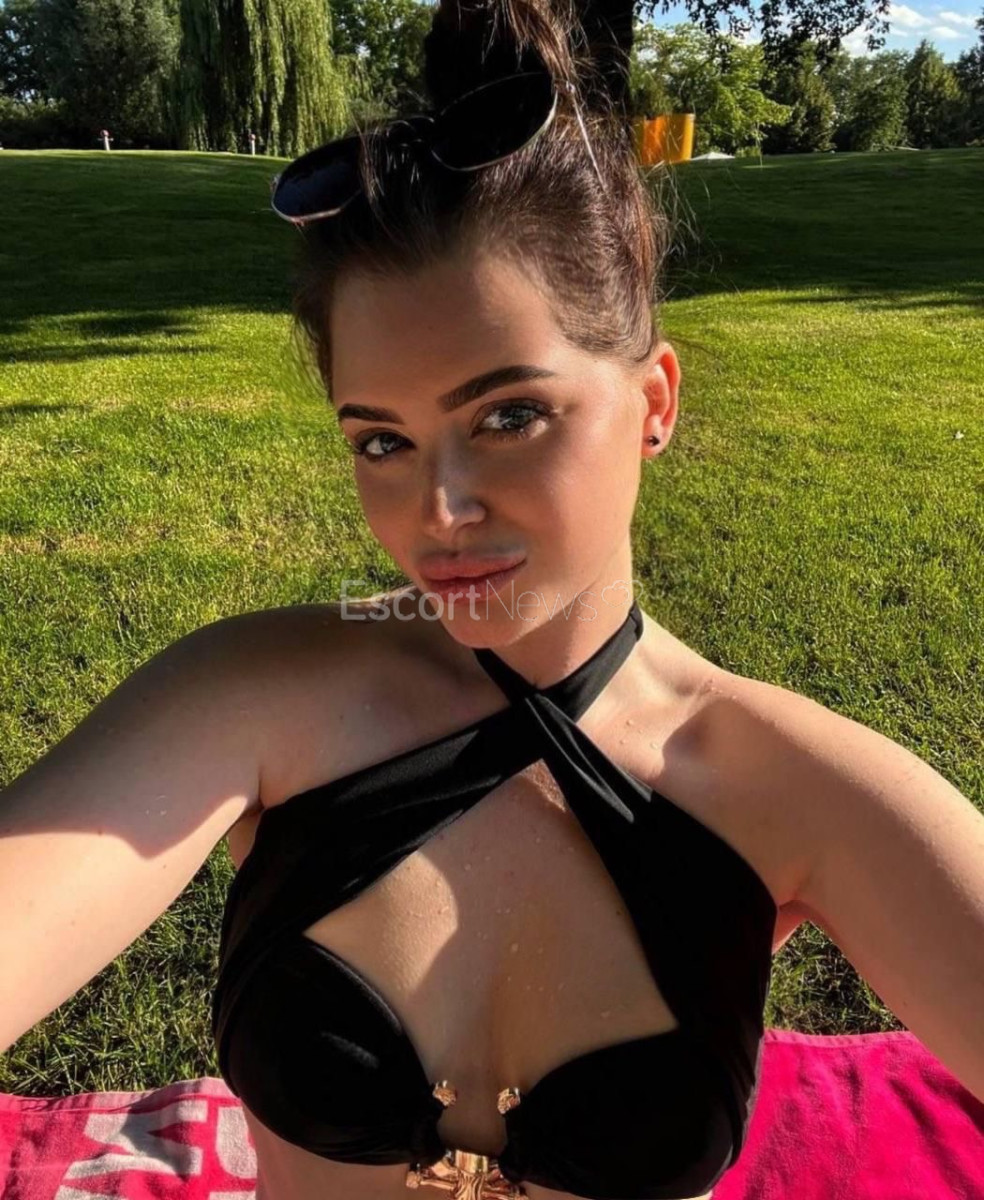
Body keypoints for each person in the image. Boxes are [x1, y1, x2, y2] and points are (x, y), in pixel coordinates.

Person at [2, 3, 983, 1200]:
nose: (441, 510)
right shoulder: (251, 703)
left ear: (656, 402)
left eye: (508, 416)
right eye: (382, 441)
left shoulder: (786, 786)